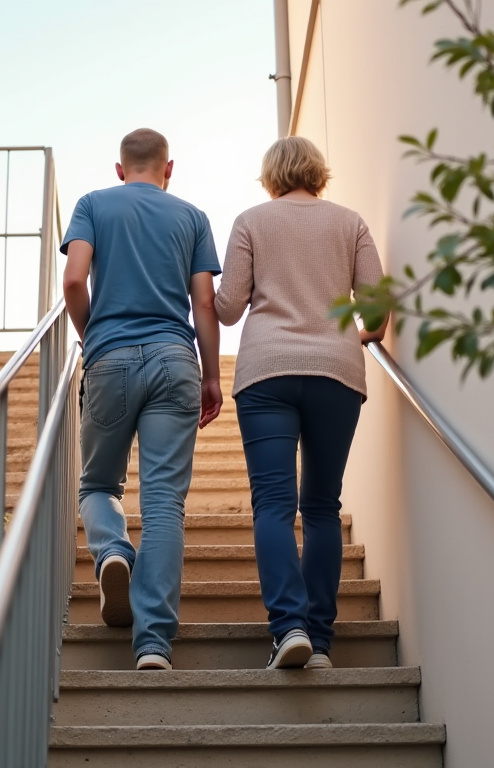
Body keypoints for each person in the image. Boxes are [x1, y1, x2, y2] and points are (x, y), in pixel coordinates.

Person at [214, 136, 387, 670]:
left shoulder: (250, 221)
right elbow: (377, 311)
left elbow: (227, 309)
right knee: (321, 508)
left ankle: (288, 628)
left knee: (272, 504)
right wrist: (351, 339)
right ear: (318, 171)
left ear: (270, 175)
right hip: (336, 372)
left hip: (266, 372)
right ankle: (321, 642)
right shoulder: (350, 222)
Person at [61, 127, 223, 671]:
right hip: (176, 358)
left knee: (99, 485)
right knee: (163, 506)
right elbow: (204, 303)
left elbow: (73, 282)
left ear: (119, 168)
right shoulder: (192, 217)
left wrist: (92, 336)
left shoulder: (93, 204)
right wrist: (211, 375)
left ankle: (111, 551)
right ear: (168, 168)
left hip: (110, 358)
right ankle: (153, 644)